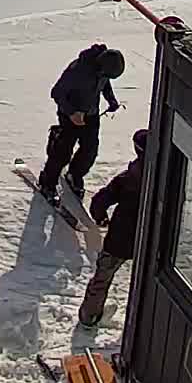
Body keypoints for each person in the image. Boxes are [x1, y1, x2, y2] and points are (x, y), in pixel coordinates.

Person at [78, 129, 148, 325]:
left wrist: (101, 219)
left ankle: (89, 316)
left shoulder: (128, 178)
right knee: (147, 282)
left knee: (102, 279)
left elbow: (100, 201)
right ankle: (141, 323)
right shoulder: (165, 178)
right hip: (151, 240)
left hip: (120, 238)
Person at [38, 44, 127, 195]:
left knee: (90, 150)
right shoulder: (77, 70)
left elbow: (104, 83)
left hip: (91, 114)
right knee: (63, 152)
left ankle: (75, 174)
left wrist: (111, 100)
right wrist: (72, 113)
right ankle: (47, 182)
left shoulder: (103, 70)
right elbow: (57, 92)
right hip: (69, 116)